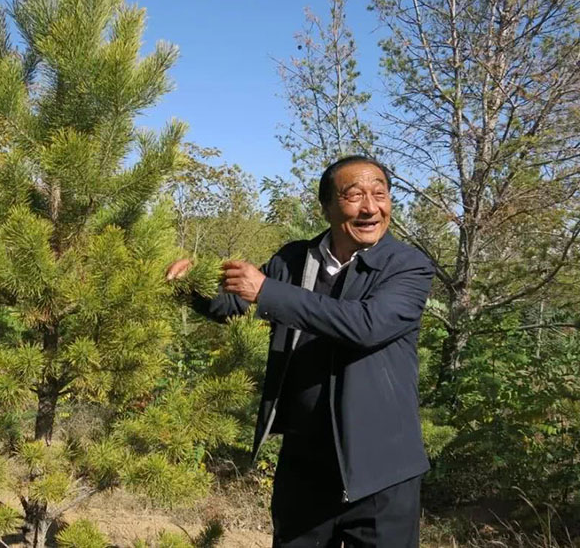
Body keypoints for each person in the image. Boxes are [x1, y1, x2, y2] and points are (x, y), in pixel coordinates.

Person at [166, 156, 434, 547]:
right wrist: (192, 286)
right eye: (354, 195)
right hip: (305, 465)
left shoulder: (407, 266)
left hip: (382, 469)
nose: (370, 208)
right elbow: (235, 305)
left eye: (380, 194)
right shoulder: (294, 260)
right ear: (325, 206)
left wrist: (267, 292)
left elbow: (366, 324)